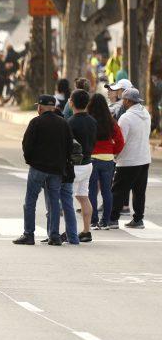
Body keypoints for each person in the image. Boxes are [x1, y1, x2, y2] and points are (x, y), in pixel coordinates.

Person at [13, 96, 72, 246]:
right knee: (53, 202)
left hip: (38, 168)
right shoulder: (63, 123)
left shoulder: (36, 122)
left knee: (30, 201)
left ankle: (29, 234)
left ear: (40, 107)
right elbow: (69, 146)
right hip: (56, 170)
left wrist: (30, 160)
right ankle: (54, 235)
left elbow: (26, 144)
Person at [109, 88, 151, 229]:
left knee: (119, 190)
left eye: (123, 100)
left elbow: (121, 140)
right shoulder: (146, 113)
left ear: (127, 100)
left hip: (128, 160)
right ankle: (138, 219)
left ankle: (113, 219)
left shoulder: (126, 118)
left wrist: (115, 155)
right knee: (139, 191)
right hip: (144, 157)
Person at [87, 93, 123, 229]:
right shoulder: (111, 122)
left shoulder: (89, 120)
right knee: (107, 191)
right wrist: (113, 151)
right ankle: (106, 221)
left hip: (92, 158)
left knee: (92, 190)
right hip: (108, 159)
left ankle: (93, 220)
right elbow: (120, 141)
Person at [66, 90, 96, 242]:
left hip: (74, 166)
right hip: (88, 163)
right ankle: (86, 231)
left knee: (66, 198)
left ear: (72, 103)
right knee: (83, 196)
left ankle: (68, 230)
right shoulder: (92, 121)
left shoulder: (70, 122)